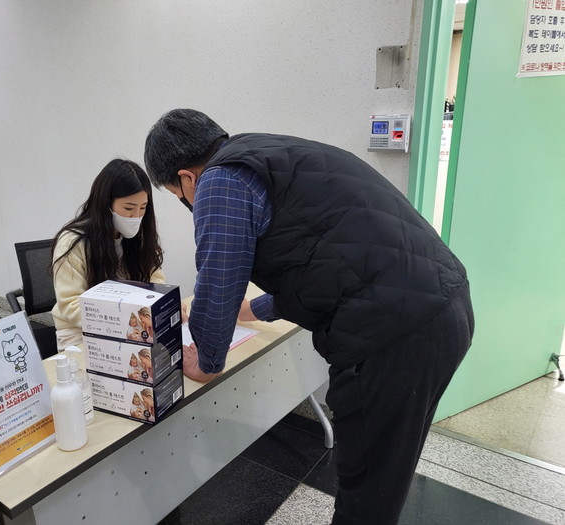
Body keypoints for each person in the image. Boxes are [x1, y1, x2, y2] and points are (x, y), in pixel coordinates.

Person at [143, 109, 474, 525]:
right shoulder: (273, 152)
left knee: (366, 493)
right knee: (386, 471)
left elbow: (217, 278)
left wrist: (205, 362)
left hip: (392, 335)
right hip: (444, 305)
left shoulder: (219, 180)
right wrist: (254, 309)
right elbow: (327, 262)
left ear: (186, 179)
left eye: (178, 195)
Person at [51, 159, 165, 350]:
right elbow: (71, 305)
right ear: (105, 203)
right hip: (80, 332)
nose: (136, 216)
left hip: (131, 327)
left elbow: (155, 281)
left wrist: (166, 307)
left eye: (143, 207)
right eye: (128, 208)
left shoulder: (138, 236)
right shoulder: (72, 242)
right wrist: (123, 323)